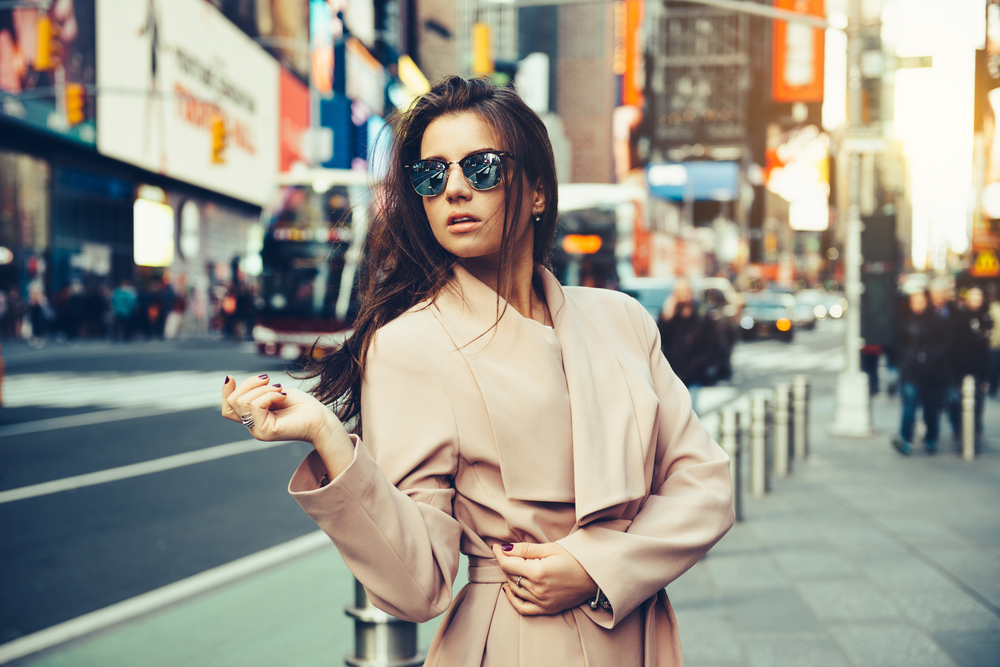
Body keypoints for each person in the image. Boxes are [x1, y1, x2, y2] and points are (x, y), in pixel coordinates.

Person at [221, 76, 734, 666]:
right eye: (432, 176)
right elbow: (419, 584)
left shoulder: (622, 320)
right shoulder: (408, 345)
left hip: (642, 637)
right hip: (517, 640)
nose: (455, 190)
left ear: (537, 191)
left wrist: (595, 567)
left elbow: (706, 487)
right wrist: (328, 436)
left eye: (482, 168)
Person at [892, 289, 949, 455]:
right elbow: (898, 343)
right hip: (911, 370)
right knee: (909, 403)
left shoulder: (937, 320)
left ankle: (931, 438)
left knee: (931, 409)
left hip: (933, 372)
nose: (918, 304)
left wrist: (930, 357)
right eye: (914, 301)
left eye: (921, 300)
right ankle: (904, 438)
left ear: (927, 301)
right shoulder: (904, 320)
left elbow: (945, 344)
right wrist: (906, 358)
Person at [658, 279, 725, 413]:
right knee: (673, 414)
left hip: (694, 375)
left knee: (691, 412)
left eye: (685, 291)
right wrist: (665, 317)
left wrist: (699, 365)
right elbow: (659, 341)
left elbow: (714, 346)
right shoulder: (670, 315)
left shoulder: (701, 315)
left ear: (691, 293)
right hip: (672, 374)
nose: (683, 295)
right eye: (679, 292)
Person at [951, 286, 993, 440]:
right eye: (973, 296)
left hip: (979, 367)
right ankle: (958, 428)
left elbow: (984, 347)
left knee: (978, 401)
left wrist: (986, 376)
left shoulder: (986, 317)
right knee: (958, 401)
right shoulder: (960, 317)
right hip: (961, 367)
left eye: (979, 297)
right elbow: (958, 343)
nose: (976, 300)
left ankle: (975, 429)